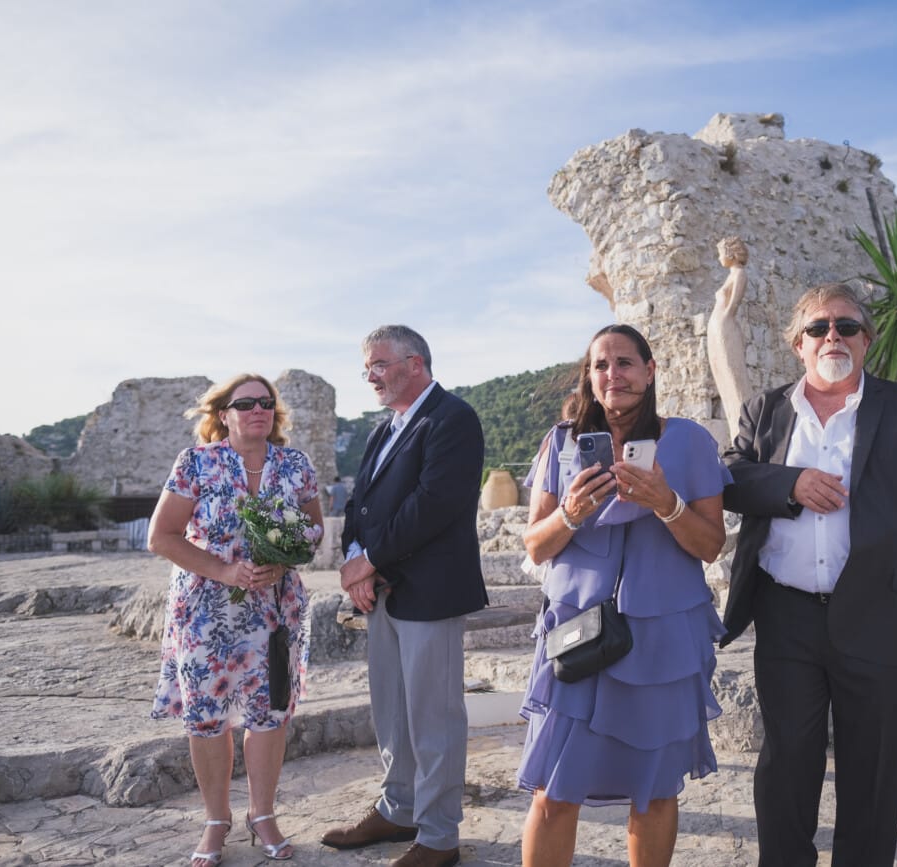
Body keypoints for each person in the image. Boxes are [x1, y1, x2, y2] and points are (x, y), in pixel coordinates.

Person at [720, 283, 897, 867]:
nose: (831, 336)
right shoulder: (766, 411)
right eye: (818, 328)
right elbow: (731, 477)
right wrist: (788, 483)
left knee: (874, 773)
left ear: (867, 341)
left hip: (881, 613)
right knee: (786, 765)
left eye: (845, 326)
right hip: (785, 615)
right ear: (798, 344)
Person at [517, 324, 731, 867]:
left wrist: (667, 503)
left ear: (650, 370)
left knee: (655, 790)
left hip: (663, 640)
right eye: (601, 365)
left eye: (626, 363)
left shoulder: (689, 440)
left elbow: (710, 545)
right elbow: (536, 545)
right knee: (554, 790)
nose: (614, 374)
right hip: (576, 639)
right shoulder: (562, 442)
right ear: (590, 377)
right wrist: (571, 513)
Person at [322, 325, 486, 867]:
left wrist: (370, 560)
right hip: (384, 591)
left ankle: (439, 837)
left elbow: (434, 503)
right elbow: (360, 501)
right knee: (391, 711)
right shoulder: (382, 429)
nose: (369, 376)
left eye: (378, 364)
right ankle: (398, 809)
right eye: (366, 367)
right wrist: (355, 559)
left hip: (430, 591)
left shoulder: (452, 419)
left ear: (414, 364)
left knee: (433, 718)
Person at [149, 373, 322, 866]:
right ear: (222, 414)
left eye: (266, 402)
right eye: (244, 403)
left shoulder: (295, 464)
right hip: (207, 613)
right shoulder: (197, 463)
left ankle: (262, 815)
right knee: (207, 718)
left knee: (270, 714)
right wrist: (225, 570)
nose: (257, 410)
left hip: (276, 610)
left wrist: (282, 561)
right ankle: (216, 821)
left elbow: (313, 529)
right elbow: (162, 536)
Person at [706, 236, 752, 442]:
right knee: (722, 375)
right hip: (717, 327)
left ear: (731, 252)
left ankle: (744, 431)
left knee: (734, 377)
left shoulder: (739, 274)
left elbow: (732, 306)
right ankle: (736, 430)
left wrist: (723, 320)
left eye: (720, 252)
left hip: (725, 326)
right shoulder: (732, 275)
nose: (718, 257)